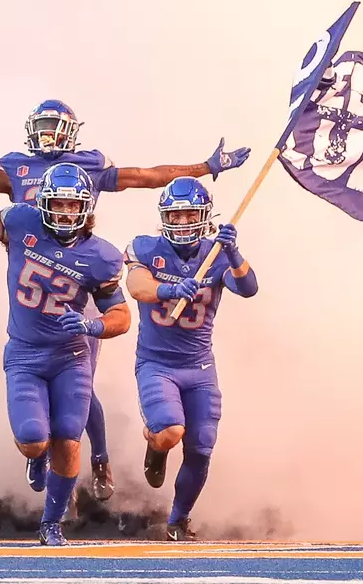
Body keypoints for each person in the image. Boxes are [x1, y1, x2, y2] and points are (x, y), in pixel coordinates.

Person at [0, 100, 251, 503]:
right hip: (29, 272)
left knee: (79, 380)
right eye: (42, 125)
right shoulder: (17, 170)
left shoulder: (90, 168)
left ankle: (99, 459)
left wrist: (204, 168)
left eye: (54, 125)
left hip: (76, 278)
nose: (47, 133)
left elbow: (145, 177)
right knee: (34, 369)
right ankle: (38, 449)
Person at [0, 136, 130, 546]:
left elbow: (121, 315)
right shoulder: (22, 224)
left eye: (72, 205)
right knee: (32, 440)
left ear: (86, 208)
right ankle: (35, 457)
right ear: (44, 204)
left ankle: (51, 523)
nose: (64, 211)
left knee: (69, 438)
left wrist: (94, 327)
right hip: (24, 353)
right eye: (57, 203)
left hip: (70, 356)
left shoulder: (102, 256)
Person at [123, 177, 258, 541]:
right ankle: (155, 446)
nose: (182, 223)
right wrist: (168, 288)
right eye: (176, 215)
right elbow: (137, 286)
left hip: (199, 367)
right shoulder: (145, 248)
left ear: (204, 216)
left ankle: (178, 520)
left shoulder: (215, 253)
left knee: (201, 446)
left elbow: (248, 288)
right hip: (157, 364)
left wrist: (233, 253)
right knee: (169, 431)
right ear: (164, 216)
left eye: (189, 215)